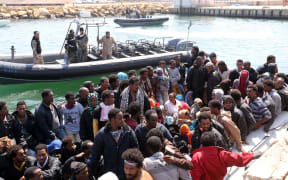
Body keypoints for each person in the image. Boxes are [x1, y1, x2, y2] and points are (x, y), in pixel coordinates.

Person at [87, 108, 138, 179]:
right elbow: (95, 154)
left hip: (125, 173)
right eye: (120, 119)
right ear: (112, 120)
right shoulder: (102, 134)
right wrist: (89, 167)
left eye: (122, 118)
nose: (122, 120)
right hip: (109, 172)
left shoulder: (128, 132)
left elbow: (136, 149)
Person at [190, 131, 261, 180]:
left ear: (202, 143)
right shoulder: (220, 154)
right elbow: (237, 158)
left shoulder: (196, 157)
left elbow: (195, 175)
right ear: (214, 142)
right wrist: (251, 155)